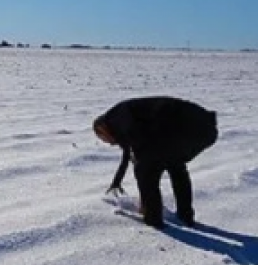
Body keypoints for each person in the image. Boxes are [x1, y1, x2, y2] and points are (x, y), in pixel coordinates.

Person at [92, 96, 218, 229]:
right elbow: (130, 150)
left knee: (146, 170)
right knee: (174, 165)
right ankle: (185, 215)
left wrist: (143, 186)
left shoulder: (116, 116)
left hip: (183, 128)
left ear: (101, 129)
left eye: (103, 139)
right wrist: (117, 181)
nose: (109, 143)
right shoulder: (122, 118)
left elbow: (138, 145)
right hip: (204, 128)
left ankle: (152, 219)